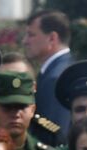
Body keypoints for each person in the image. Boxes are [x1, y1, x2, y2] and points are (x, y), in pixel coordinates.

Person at [23, 10, 72, 141]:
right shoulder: (59, 69)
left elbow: (54, 133)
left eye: (31, 35)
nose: (25, 41)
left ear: (52, 38)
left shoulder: (55, 78)